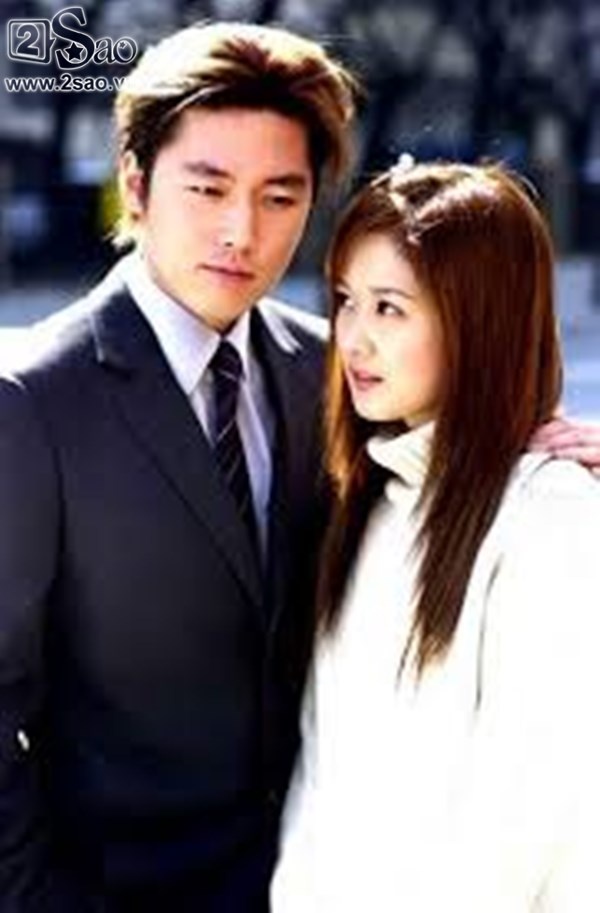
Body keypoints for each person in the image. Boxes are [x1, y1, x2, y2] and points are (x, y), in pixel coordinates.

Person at [0, 21, 357, 912]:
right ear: (136, 184)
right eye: (208, 188)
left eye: (280, 196)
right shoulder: (32, 400)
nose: (243, 230)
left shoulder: (332, 370)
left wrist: (548, 448)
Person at [271, 160, 600, 912]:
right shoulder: (371, 503)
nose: (353, 339)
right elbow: (320, 778)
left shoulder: (550, 513)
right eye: (346, 301)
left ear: (479, 321)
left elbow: (522, 814)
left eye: (390, 309)